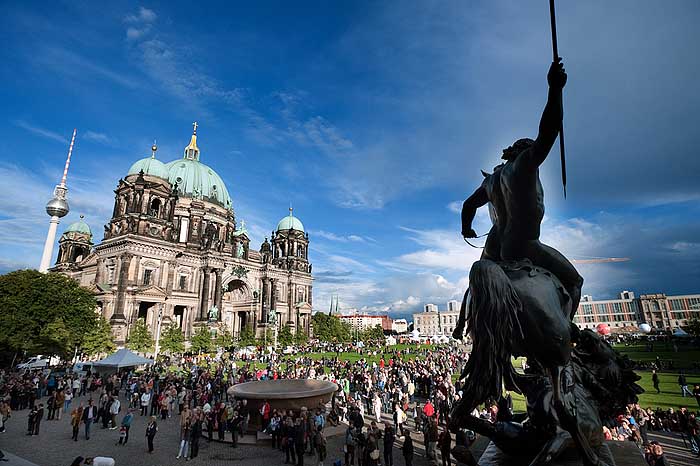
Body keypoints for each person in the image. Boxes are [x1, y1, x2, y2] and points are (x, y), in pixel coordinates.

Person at [459, 58, 582, 321]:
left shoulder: (490, 181)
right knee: (575, 282)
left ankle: (466, 318)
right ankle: (568, 331)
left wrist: (466, 229)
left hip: (494, 246)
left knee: (479, 285)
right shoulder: (523, 166)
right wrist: (555, 89)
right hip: (524, 245)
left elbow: (468, 206)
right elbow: (548, 131)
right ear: (524, 151)